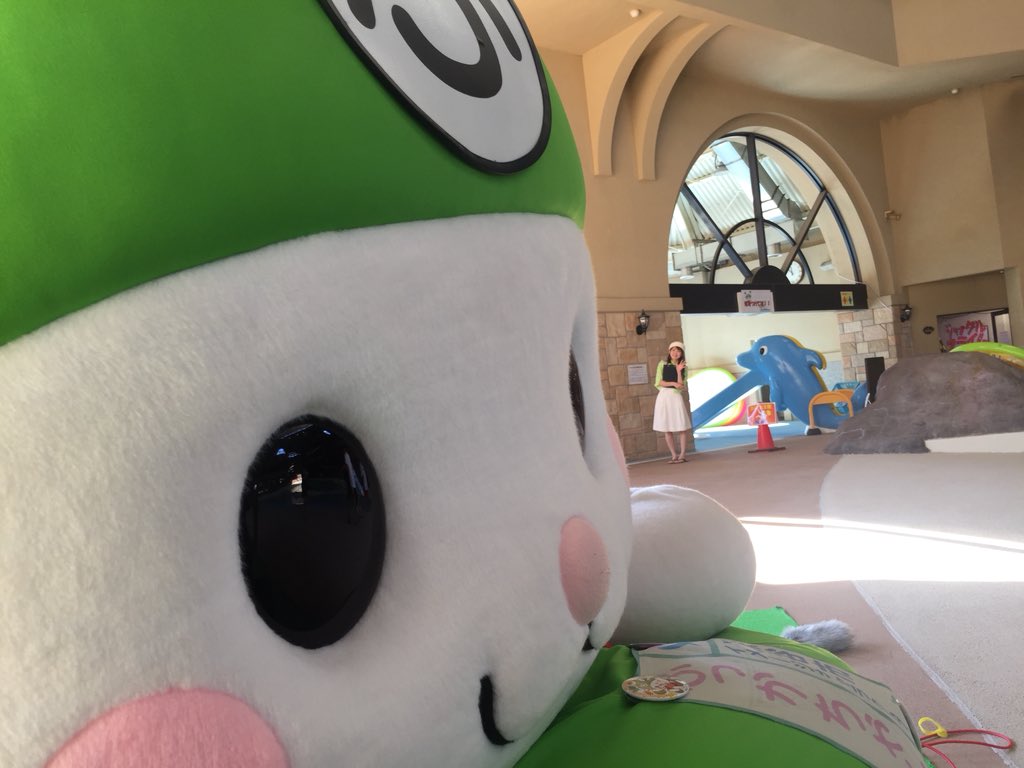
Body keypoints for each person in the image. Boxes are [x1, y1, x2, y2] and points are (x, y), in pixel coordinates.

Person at [653, 341, 691, 463]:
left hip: (675, 398)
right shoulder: (662, 364)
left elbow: (681, 386)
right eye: (673, 350)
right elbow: (659, 382)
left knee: (681, 426)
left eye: (678, 350)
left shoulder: (684, 367)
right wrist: (673, 383)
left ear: (681, 353)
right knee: (667, 427)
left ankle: (682, 454)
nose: (675, 353)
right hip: (664, 397)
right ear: (669, 352)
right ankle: (674, 455)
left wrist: (679, 371)